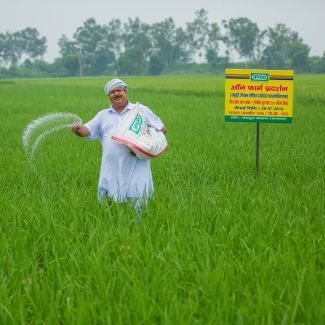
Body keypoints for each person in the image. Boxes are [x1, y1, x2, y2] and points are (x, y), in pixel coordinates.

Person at [71, 78, 167, 212]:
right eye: (112, 92)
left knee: (137, 199)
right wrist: (77, 129)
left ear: (125, 92)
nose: (116, 94)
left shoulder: (140, 111)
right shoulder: (103, 115)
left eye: (119, 90)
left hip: (136, 165)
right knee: (110, 203)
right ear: (108, 96)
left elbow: (161, 130)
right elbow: (86, 130)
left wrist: (144, 148)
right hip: (112, 167)